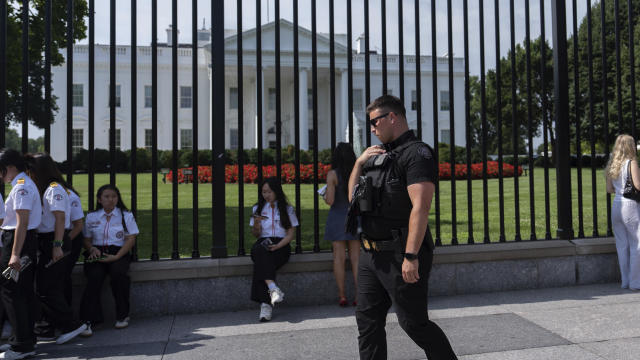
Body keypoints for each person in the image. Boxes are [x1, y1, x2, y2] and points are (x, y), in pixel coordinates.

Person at [348, 95, 457, 359]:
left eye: (375, 122)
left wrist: (411, 256)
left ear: (392, 117)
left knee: (414, 323)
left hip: (400, 253)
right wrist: (358, 163)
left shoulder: (416, 153)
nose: (372, 128)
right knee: (368, 322)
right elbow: (352, 198)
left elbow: (421, 207)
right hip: (370, 254)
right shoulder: (377, 156)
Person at [25, 153, 87, 345]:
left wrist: (57, 245)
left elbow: (60, 219)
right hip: (46, 240)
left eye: (30, 170)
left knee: (47, 288)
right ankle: (47, 327)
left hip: (53, 240)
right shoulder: (45, 189)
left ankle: (71, 324)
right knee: (44, 286)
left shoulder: (54, 189)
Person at [79, 184, 139, 336]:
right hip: (97, 252)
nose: (111, 200)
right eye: (106, 196)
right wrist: (91, 248)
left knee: (119, 275)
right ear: (99, 199)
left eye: (114, 196)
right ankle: (89, 320)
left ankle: (122, 315)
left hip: (118, 251)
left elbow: (131, 239)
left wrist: (117, 256)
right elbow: (86, 239)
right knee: (94, 277)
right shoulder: (92, 216)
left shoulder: (126, 215)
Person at [0, 149, 41, 359]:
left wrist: (14, 254)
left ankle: (22, 345)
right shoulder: (22, 184)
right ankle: (23, 339)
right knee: (20, 292)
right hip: (21, 243)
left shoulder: (21, 187)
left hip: (18, 244)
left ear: (10, 168)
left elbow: (21, 223)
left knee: (12, 291)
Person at [250, 177, 298, 322]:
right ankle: (272, 290)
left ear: (276, 191)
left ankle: (266, 305)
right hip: (263, 242)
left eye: (269, 192)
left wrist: (278, 245)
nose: (266, 195)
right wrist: (257, 224)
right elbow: (256, 234)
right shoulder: (257, 208)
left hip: (281, 244)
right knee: (259, 251)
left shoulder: (287, 209)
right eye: (264, 192)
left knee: (260, 261)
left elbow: (291, 234)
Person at [323, 143, 360, 307]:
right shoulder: (357, 172)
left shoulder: (332, 174)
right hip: (354, 217)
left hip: (337, 217)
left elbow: (330, 200)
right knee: (356, 258)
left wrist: (324, 195)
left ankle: (342, 295)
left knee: (338, 258)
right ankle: (359, 295)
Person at [605, 134, 640, 290]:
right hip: (630, 206)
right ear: (629, 146)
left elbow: (609, 189)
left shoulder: (612, 164)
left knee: (621, 245)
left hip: (616, 205)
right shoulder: (631, 163)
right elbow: (638, 186)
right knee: (637, 243)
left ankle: (625, 281)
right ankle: (635, 282)